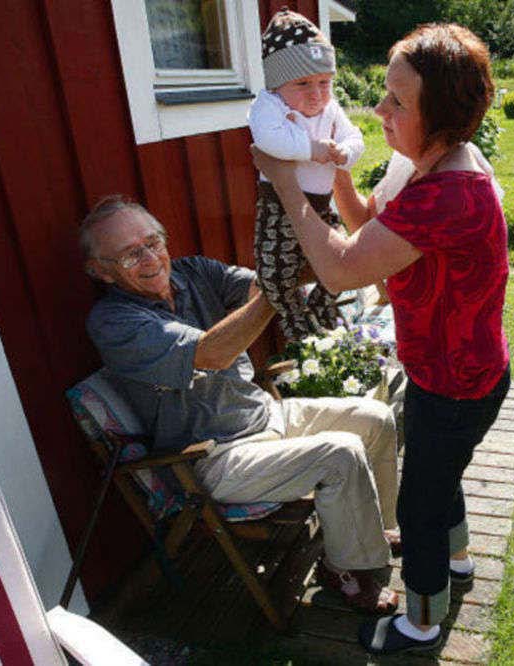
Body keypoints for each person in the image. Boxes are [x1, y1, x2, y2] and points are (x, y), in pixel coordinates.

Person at [252, 23, 509, 655]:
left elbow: (341, 267)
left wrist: (288, 184)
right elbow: (369, 226)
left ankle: (420, 623)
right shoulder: (431, 164)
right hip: (450, 374)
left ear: (440, 114)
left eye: (397, 101)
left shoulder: (449, 194)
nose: (378, 109)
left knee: (419, 506)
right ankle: (460, 564)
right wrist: (334, 169)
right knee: (438, 477)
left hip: (454, 387)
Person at [81, 195, 399, 615]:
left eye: (153, 241)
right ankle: (343, 569)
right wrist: (276, 291)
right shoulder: (114, 323)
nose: (151, 257)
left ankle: (379, 527)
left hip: (264, 414)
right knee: (340, 453)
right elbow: (212, 353)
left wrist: (325, 252)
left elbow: (257, 285)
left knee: (375, 418)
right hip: (213, 456)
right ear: (100, 271)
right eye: (129, 254)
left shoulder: (193, 271)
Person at [249, 8, 365, 340]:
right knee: (274, 274)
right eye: (302, 84)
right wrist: (314, 150)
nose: (316, 93)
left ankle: (322, 303)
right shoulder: (268, 105)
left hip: (322, 207)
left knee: (348, 258)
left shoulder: (330, 108)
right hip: (278, 211)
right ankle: (295, 319)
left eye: (324, 83)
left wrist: (345, 153)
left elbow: (354, 136)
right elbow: (269, 138)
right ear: (276, 84)